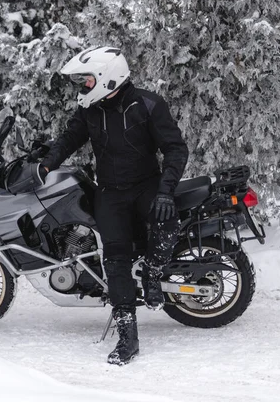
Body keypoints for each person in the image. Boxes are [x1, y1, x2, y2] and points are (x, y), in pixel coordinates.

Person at [40, 46, 188, 365]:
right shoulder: (90, 110)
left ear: (108, 77)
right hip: (109, 193)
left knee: (168, 222)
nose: (83, 87)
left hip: (148, 185)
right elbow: (68, 140)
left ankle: (152, 271)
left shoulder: (148, 104)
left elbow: (176, 150)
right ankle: (128, 336)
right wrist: (47, 164)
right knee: (116, 258)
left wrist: (165, 191)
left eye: (88, 80)